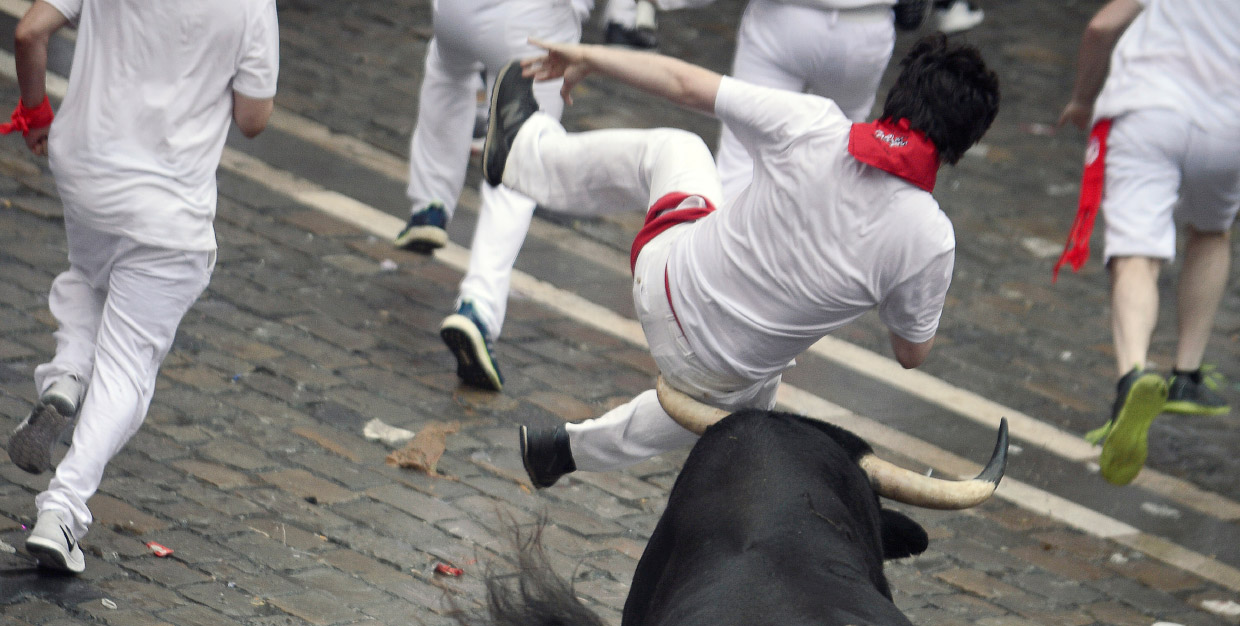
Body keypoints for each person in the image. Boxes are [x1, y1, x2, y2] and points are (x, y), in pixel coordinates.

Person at [477, 35, 999, 488]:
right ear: (961, 145)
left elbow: (684, 85)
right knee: (753, 382)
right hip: (717, 376)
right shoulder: (930, 239)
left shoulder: (814, 125)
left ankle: (524, 154)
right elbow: (911, 353)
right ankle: (573, 452)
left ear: (897, 95)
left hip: (664, 284)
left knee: (677, 148)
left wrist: (590, 55)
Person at [3, 0, 278, 573]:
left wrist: (33, 110)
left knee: (87, 276)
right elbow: (253, 118)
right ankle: (64, 509)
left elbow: (29, 33)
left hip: (86, 172)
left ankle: (67, 375)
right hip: (167, 208)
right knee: (128, 365)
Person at [1055, 0, 1238, 486]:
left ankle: (1134, 371)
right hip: (1229, 126)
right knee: (1212, 233)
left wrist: (1082, 96)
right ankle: (1188, 373)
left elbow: (1101, 26)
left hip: (1149, 109)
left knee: (1138, 255)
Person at [394, 0, 586, 392]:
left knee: (446, 68)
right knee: (521, 163)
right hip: (532, 24)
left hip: (456, 12)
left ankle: (430, 203)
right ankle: (477, 308)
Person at [715, 0, 902, 200]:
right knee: (838, 156)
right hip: (866, 25)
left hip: (784, 19)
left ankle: (727, 217)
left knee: (744, 151)